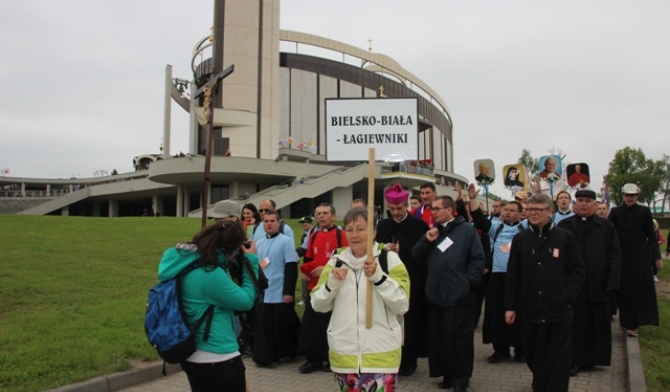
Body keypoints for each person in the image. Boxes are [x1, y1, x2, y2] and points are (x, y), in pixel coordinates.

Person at [311, 207, 410, 391]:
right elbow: (317, 304)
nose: (354, 234)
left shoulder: (390, 260)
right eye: (349, 229)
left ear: (373, 232)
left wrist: (379, 278)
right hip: (344, 357)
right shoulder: (336, 261)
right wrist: (332, 284)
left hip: (381, 357)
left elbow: (402, 304)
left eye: (360, 229)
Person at [157, 220, 259, 392]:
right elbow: (246, 301)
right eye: (235, 250)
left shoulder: (185, 264)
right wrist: (250, 260)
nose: (235, 255)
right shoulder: (209, 275)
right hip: (217, 355)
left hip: (193, 355)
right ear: (226, 249)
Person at [505, 193, 585, 392]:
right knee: (533, 354)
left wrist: (566, 295)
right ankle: (541, 382)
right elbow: (513, 274)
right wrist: (510, 306)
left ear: (550, 212)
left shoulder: (564, 237)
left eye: (538, 210)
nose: (533, 213)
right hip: (530, 309)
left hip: (558, 310)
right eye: (530, 209)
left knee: (558, 357)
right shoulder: (521, 239)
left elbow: (577, 270)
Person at [412, 195, 485, 391]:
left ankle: (461, 379)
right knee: (440, 340)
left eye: (437, 208)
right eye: (432, 208)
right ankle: (446, 375)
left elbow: (478, 260)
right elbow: (416, 256)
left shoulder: (467, 231)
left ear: (450, 210)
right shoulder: (433, 231)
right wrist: (427, 241)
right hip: (436, 296)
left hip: (459, 298)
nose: (432, 211)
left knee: (458, 341)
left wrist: (467, 283)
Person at [558, 189, 621, 376]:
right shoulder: (565, 225)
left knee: (595, 323)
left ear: (595, 204)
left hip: (597, 283)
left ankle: (592, 359)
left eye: (587, 201)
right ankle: (574, 360)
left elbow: (615, 254)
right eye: (580, 200)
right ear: (574, 204)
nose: (583, 204)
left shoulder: (606, 227)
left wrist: (612, 281)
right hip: (572, 285)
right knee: (574, 324)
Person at [374, 184, 430, 376]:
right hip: (387, 281)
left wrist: (403, 250)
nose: (396, 213)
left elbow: (423, 254)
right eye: (392, 208)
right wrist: (383, 248)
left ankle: (409, 360)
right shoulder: (382, 226)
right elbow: (374, 249)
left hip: (412, 280)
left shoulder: (419, 225)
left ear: (406, 206)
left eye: (400, 208)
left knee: (411, 321)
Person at [298, 203, 348, 374]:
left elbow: (346, 260)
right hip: (315, 287)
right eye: (318, 213)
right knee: (311, 325)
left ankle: (330, 359)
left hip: (334, 287)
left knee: (330, 325)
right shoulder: (313, 236)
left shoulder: (342, 235)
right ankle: (313, 360)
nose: (321, 216)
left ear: (333, 216)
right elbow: (309, 257)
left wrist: (326, 269)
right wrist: (305, 271)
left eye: (325, 213)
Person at [608, 183, 662, 337]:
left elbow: (651, 236)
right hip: (621, 257)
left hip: (640, 257)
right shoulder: (616, 212)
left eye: (632, 196)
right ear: (623, 196)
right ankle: (626, 322)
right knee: (623, 290)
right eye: (627, 195)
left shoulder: (644, 211)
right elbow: (608, 233)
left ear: (637, 196)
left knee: (639, 289)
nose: (629, 198)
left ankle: (636, 323)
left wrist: (656, 257)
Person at [252, 210, 301, 366]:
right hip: (263, 293)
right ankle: (266, 356)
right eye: (266, 221)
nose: (269, 224)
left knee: (281, 325)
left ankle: (287, 352)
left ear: (278, 223)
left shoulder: (286, 241)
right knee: (265, 325)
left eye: (272, 221)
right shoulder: (259, 243)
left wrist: (288, 292)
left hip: (279, 290)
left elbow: (291, 266)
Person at [482, 201, 525, 364]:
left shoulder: (525, 227)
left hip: (519, 277)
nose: (508, 213)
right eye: (506, 210)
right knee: (496, 313)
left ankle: (521, 350)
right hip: (498, 276)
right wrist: (472, 200)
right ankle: (500, 350)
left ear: (520, 213)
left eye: (512, 210)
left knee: (519, 313)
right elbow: (480, 222)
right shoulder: (496, 227)